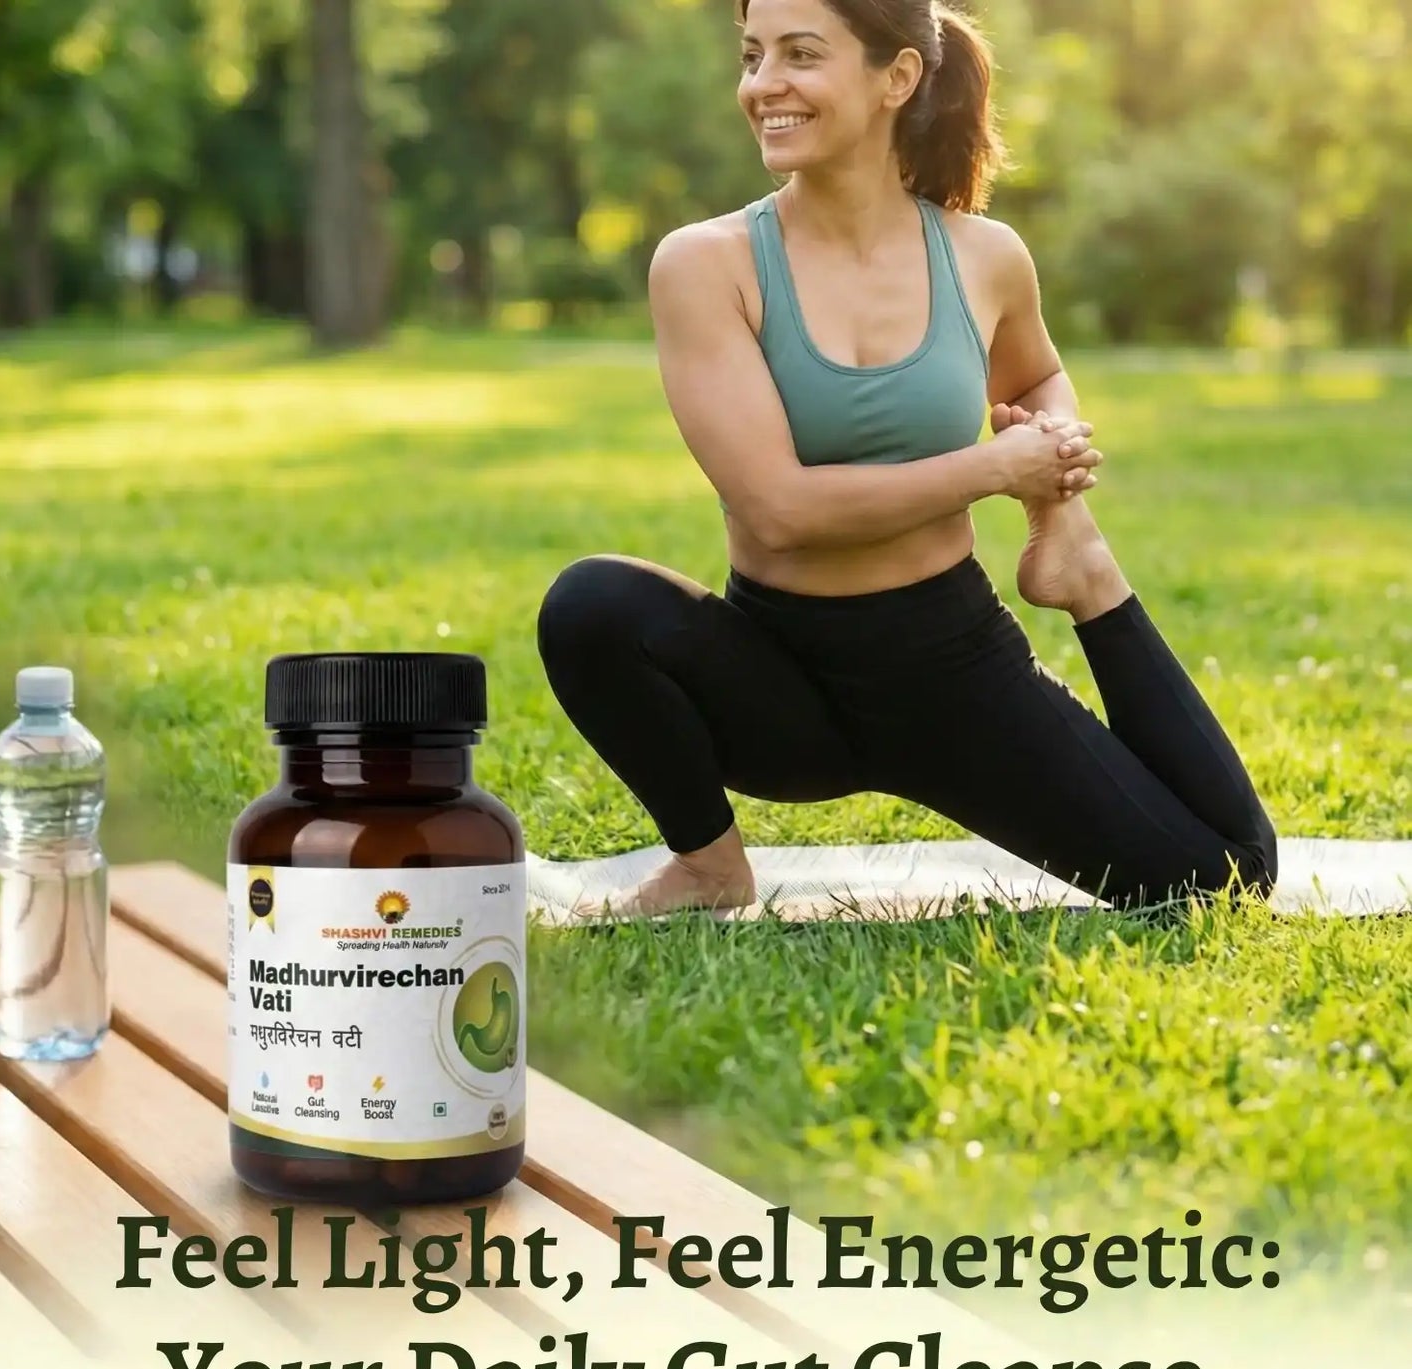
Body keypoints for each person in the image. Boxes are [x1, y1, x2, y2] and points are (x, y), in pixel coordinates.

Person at [536, 0, 1278, 918]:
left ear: (897, 78)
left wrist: (1056, 476)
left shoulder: (984, 255)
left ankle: (1088, 578)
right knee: (592, 604)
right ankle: (708, 865)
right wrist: (998, 468)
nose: (763, 82)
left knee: (1222, 875)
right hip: (778, 680)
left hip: (952, 671)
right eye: (752, 54)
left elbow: (1039, 375)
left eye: (800, 55)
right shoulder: (705, 262)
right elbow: (778, 509)